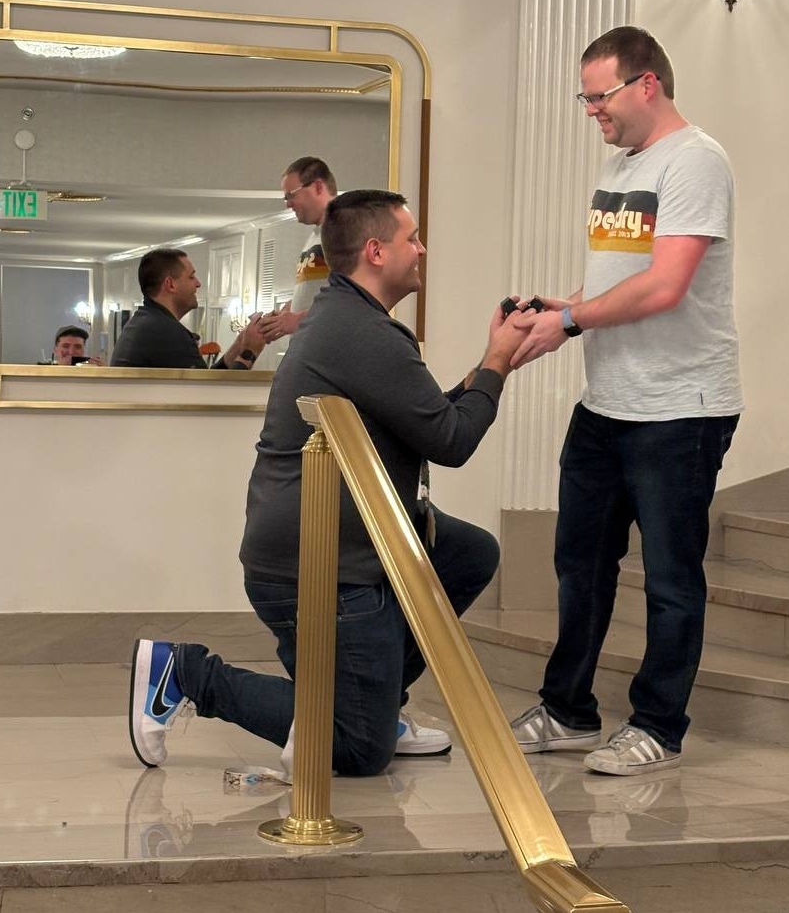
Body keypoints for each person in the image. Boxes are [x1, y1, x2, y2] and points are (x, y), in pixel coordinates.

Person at [129, 189, 528, 777]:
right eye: (412, 238)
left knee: (468, 553)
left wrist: (495, 363)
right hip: (318, 567)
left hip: (346, 545)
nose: (421, 249)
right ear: (376, 251)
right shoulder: (362, 332)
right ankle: (185, 673)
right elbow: (451, 442)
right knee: (358, 748)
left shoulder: (347, 317)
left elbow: (425, 419)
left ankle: (376, 700)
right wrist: (496, 362)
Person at [509, 26, 743, 776]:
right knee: (579, 562)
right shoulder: (620, 164)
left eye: (598, 96)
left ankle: (659, 726)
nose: (591, 111)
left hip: (680, 408)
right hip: (607, 403)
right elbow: (620, 275)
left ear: (647, 84)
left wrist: (573, 320)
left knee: (671, 578)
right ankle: (568, 710)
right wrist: (563, 305)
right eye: (584, 98)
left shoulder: (696, 160)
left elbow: (666, 286)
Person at [110, 248, 266, 369]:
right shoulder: (167, 332)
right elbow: (208, 394)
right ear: (170, 284)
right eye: (191, 277)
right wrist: (249, 353)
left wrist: (240, 342)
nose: (198, 283)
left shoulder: (146, 322)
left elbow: (206, 380)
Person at [258, 156, 337, 344]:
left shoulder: (343, 231)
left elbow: (348, 300)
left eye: (291, 195)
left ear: (318, 187)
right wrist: (284, 315)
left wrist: (297, 320)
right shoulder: (316, 236)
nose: (287, 204)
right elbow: (316, 293)